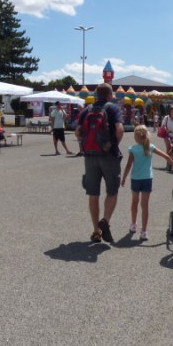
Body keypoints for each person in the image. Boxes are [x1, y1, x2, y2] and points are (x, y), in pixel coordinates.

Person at [74, 83, 124, 243]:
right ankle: (105, 220)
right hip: (109, 156)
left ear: (96, 94)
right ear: (110, 95)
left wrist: (85, 145)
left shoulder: (86, 110)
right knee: (112, 192)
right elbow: (120, 129)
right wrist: (113, 145)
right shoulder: (113, 108)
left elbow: (77, 131)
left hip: (90, 156)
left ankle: (96, 231)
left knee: (93, 194)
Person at [121, 125, 173, 240]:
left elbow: (129, 165)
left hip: (136, 179)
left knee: (134, 202)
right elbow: (166, 156)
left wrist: (124, 177)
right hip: (147, 179)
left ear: (136, 137)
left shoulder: (133, 149)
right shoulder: (150, 147)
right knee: (145, 205)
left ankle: (133, 224)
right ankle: (144, 231)